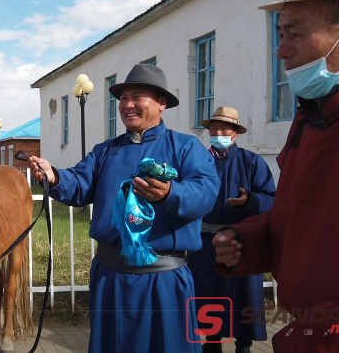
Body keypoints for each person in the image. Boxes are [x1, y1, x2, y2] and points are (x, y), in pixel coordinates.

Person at [213, 0, 339, 352]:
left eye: (295, 33)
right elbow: (302, 220)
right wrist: (246, 240)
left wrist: (310, 338)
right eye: (279, 34)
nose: (280, 51)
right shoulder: (313, 116)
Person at [29, 64, 220, 353]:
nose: (127, 105)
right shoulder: (105, 151)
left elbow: (205, 193)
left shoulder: (186, 148)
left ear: (161, 103)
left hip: (163, 280)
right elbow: (79, 182)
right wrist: (54, 176)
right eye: (122, 98)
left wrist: (171, 192)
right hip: (111, 278)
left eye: (137, 96)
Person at [187, 107, 275, 353]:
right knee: (207, 293)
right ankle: (211, 342)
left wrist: (250, 202)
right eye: (213, 128)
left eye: (224, 128)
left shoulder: (252, 162)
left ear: (235, 133)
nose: (218, 132)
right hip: (205, 241)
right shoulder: (198, 161)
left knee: (243, 294)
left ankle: (243, 344)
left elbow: (271, 199)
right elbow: (186, 194)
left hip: (241, 240)